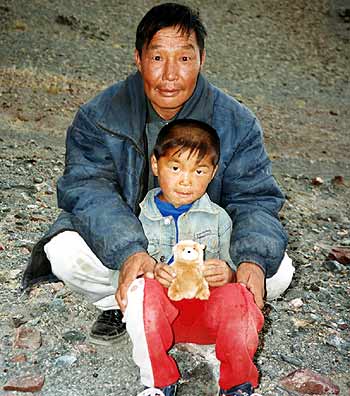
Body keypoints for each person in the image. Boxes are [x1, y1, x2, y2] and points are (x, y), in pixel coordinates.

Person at [22, 3, 294, 347]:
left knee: (276, 270)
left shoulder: (237, 122)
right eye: (157, 58)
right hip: (133, 247)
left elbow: (253, 199)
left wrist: (243, 261)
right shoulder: (99, 115)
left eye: (183, 58)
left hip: (206, 249)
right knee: (63, 251)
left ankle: (207, 309)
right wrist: (128, 253)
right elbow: (88, 189)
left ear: (201, 59)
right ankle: (119, 304)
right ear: (138, 58)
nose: (170, 75)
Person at [126, 118, 264, 396]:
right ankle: (158, 383)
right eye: (175, 168)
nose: (186, 180)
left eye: (199, 171)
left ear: (213, 173)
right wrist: (152, 271)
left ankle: (238, 385)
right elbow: (130, 270)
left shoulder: (219, 219)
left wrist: (228, 273)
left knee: (240, 296)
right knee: (142, 289)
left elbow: (235, 272)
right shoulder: (137, 217)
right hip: (162, 321)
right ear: (156, 165)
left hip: (206, 319)